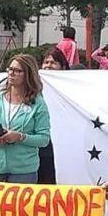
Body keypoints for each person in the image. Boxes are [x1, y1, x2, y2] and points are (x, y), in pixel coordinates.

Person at [0, 54, 51, 183]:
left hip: (23, 170)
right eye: (10, 69)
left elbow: (44, 139)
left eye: (18, 71)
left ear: (28, 74)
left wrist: (20, 137)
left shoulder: (38, 104)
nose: (12, 73)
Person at [38, 47, 67, 185]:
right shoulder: (34, 87)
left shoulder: (69, 89)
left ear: (62, 67)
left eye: (53, 62)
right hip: (38, 147)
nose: (48, 65)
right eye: (46, 62)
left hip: (60, 147)